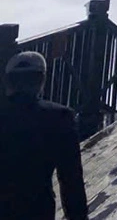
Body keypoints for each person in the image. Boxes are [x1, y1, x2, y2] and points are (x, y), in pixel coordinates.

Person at [0, 51, 89, 220]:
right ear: (41, 81)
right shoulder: (60, 116)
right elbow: (71, 179)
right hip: (37, 210)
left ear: (8, 82)